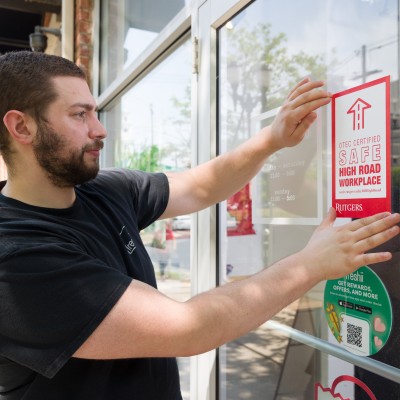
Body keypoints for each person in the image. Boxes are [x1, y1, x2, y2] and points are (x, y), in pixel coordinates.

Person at [0, 51, 398, 400]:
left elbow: (198, 186)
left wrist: (271, 139)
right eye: (79, 115)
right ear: (22, 128)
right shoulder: (15, 258)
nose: (99, 129)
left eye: (96, 112)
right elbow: (190, 328)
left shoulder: (103, 190)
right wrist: (310, 264)